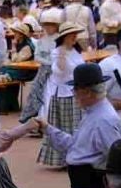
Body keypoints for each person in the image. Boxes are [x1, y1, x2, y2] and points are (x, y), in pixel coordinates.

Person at [44, 63, 121, 188]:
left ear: (87, 92)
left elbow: (116, 158)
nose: (74, 94)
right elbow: (75, 146)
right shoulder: (93, 114)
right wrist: (47, 129)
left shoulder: (103, 120)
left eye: (75, 90)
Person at [35, 23, 87, 168]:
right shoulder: (57, 52)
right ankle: (63, 158)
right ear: (65, 37)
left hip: (75, 93)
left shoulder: (76, 51)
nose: (75, 37)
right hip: (63, 94)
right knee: (64, 126)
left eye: (75, 35)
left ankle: (77, 156)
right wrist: (62, 55)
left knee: (76, 126)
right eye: (72, 35)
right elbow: (60, 71)